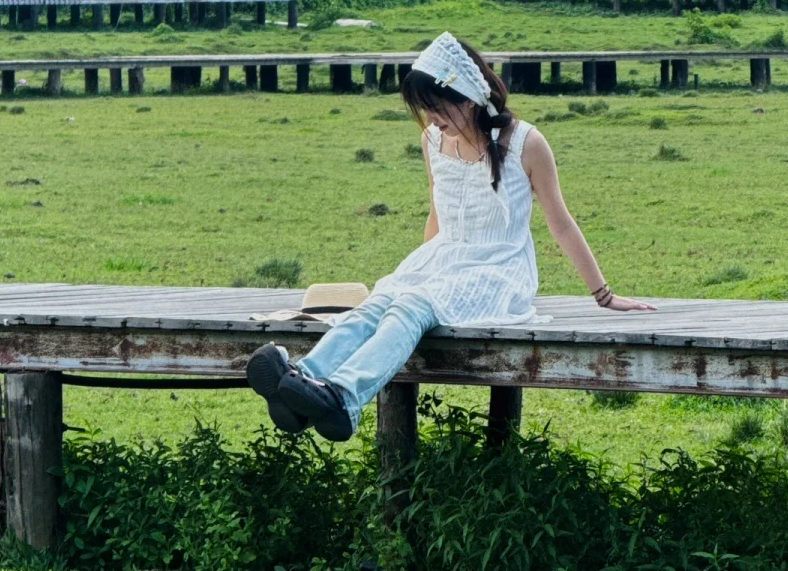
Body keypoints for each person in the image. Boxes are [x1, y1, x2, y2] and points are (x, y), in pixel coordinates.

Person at [247, 32, 654, 441]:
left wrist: (604, 295)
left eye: (438, 108)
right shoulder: (432, 141)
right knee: (380, 302)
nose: (432, 119)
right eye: (426, 110)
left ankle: (344, 396)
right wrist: (422, 269)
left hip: (498, 270)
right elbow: (437, 212)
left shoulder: (527, 144)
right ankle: (302, 380)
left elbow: (560, 223)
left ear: (467, 96)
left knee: (412, 307)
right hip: (444, 260)